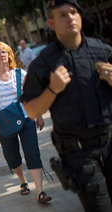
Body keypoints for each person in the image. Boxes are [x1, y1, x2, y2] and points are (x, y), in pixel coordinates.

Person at [21, 0, 112, 211]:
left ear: (80, 17)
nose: (70, 17)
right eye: (62, 14)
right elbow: (31, 110)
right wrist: (53, 89)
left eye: (73, 12)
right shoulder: (44, 63)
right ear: (51, 24)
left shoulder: (104, 51)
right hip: (80, 153)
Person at [0, 42, 52, 203]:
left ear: (10, 55)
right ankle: (23, 180)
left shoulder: (21, 73)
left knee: (32, 153)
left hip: (26, 118)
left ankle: (40, 191)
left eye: (5, 52)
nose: (2, 55)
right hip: (4, 123)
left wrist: (39, 114)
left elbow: (32, 95)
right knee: (12, 156)